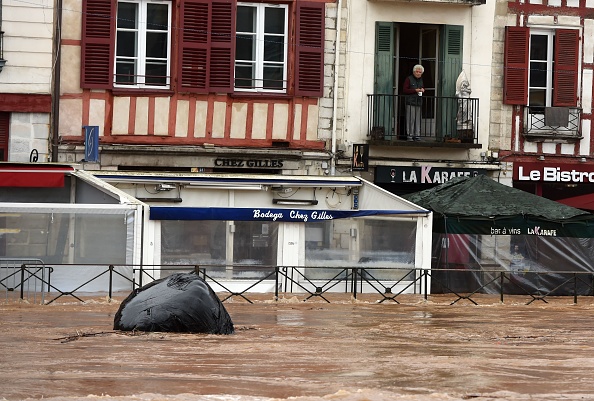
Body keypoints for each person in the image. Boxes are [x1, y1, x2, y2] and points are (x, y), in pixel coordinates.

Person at [403, 65, 425, 141]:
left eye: (420, 72)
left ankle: (417, 135)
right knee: (410, 119)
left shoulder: (421, 80)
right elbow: (405, 90)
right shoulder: (409, 79)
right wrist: (415, 90)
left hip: (418, 102)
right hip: (410, 102)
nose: (418, 73)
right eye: (417, 72)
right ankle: (410, 135)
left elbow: (422, 87)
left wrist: (422, 90)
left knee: (418, 120)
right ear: (414, 72)